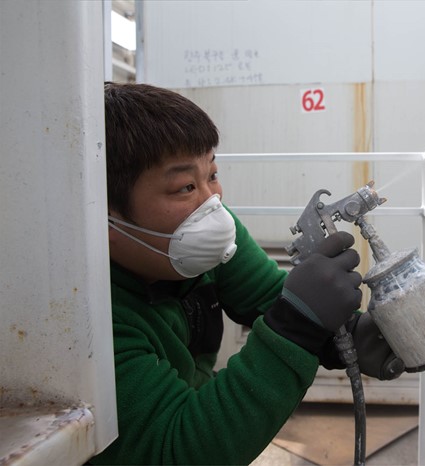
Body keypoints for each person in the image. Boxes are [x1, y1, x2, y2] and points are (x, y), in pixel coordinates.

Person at [91, 82, 405, 465]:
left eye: (212, 174)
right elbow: (176, 451)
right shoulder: (88, 323)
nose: (212, 205)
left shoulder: (206, 238)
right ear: (103, 212)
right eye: (185, 187)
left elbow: (268, 297)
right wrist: (297, 326)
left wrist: (356, 334)